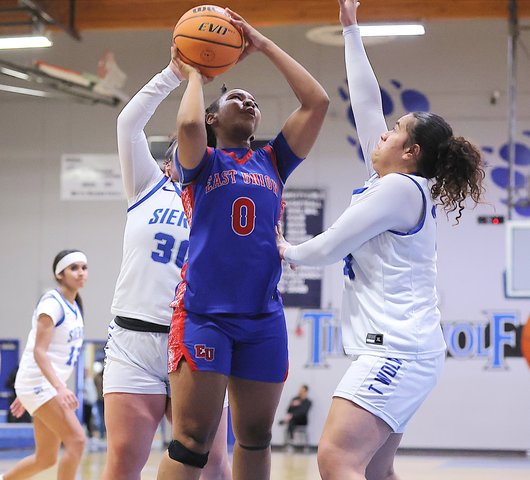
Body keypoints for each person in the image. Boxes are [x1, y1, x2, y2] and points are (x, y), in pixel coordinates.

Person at [276, 1, 485, 479]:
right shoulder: (393, 182)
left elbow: (331, 245)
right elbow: (367, 104)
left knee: (336, 458)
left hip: (398, 351)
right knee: (373, 470)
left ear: (411, 152)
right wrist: (351, 30)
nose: (383, 133)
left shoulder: (400, 189)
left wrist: (286, 250)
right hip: (405, 350)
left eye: (394, 131)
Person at [157, 8, 329, 480]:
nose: (249, 102)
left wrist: (264, 44)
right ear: (214, 116)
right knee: (192, 441)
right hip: (204, 314)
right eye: (237, 97)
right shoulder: (202, 162)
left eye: (254, 101)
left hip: (262, 317)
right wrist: (196, 72)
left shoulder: (273, 161)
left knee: (255, 437)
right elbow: (188, 127)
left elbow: (316, 102)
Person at [101, 49, 231, 480]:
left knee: (213, 464)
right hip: (135, 341)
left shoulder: (220, 202)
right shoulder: (148, 186)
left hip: (195, 339)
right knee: (123, 460)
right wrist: (174, 73)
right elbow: (128, 124)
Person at [1, 250, 88, 480]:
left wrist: (27, 393)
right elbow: (38, 351)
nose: (81, 272)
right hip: (40, 384)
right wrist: (52, 388)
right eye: (74, 268)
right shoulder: (52, 304)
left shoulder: (74, 306)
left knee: (46, 458)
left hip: (39, 386)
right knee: (77, 440)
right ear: (59, 274)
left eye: (84, 267)